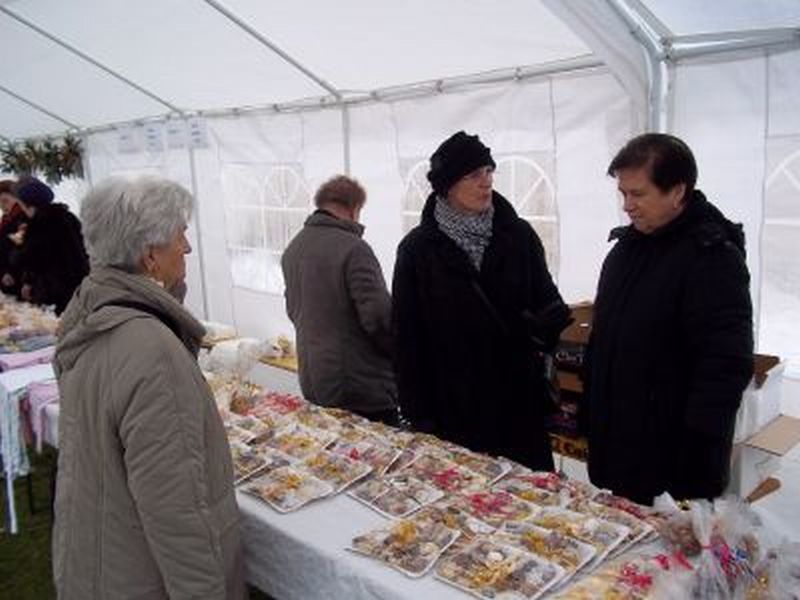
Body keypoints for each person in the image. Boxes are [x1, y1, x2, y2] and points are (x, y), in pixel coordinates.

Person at [53, 176, 245, 599]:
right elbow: (177, 511)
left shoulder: (89, 310)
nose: (187, 247)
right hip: (139, 576)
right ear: (150, 255)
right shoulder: (151, 350)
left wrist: (169, 296)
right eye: (180, 235)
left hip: (101, 557)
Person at [585, 133, 754, 505]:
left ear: (677, 192)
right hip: (624, 446)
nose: (628, 206)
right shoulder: (625, 250)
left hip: (673, 461)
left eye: (638, 194)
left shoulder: (711, 258)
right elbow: (604, 340)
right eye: (623, 193)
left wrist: (695, 453)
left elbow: (725, 365)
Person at [393, 131, 571, 469]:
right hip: (453, 407)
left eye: (489, 171)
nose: (486, 181)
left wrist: (544, 326)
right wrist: (419, 415)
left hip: (517, 401)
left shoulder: (518, 235)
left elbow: (548, 299)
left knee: (529, 492)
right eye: (474, 174)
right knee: (464, 491)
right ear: (447, 185)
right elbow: (406, 338)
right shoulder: (418, 250)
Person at [282, 175, 398, 425]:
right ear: (354, 208)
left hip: (314, 377)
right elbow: (378, 317)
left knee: (334, 445)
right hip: (360, 386)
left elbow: (292, 310)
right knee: (375, 449)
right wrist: (399, 355)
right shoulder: (354, 249)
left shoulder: (294, 247)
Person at [2, 177, 89, 313]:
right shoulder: (68, 216)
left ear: (28, 204)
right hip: (81, 284)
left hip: (55, 290)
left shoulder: (39, 224)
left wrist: (27, 279)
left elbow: (31, 257)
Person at [0, 179, 28, 294]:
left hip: (18, 280)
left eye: (5, 201)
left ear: (17, 198)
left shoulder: (23, 220)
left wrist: (10, 272)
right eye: (0, 203)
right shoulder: (6, 221)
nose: (2, 206)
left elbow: (21, 249)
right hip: (7, 277)